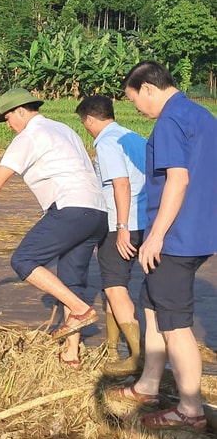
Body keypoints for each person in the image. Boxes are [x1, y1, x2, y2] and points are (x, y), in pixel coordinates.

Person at [0, 87, 107, 369]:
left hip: (70, 207)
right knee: (71, 280)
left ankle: (81, 310)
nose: (9, 126)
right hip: (97, 212)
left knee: (24, 259)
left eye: (8, 119)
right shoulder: (64, 129)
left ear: (21, 111)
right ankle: (71, 355)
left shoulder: (29, 136)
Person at [107, 61, 217, 432]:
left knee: (175, 323)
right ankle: (148, 386)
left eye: (134, 100)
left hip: (175, 236)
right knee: (151, 304)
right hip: (201, 231)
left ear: (149, 89)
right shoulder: (202, 115)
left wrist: (155, 236)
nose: (137, 109)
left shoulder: (169, 120)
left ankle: (190, 409)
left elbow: (178, 180)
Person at [75, 95, 147, 375]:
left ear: (90, 119)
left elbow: (121, 185)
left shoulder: (106, 143)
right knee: (111, 283)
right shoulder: (135, 137)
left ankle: (137, 358)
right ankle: (110, 346)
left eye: (85, 124)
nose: (86, 129)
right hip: (146, 221)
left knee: (116, 287)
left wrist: (121, 228)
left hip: (122, 223)